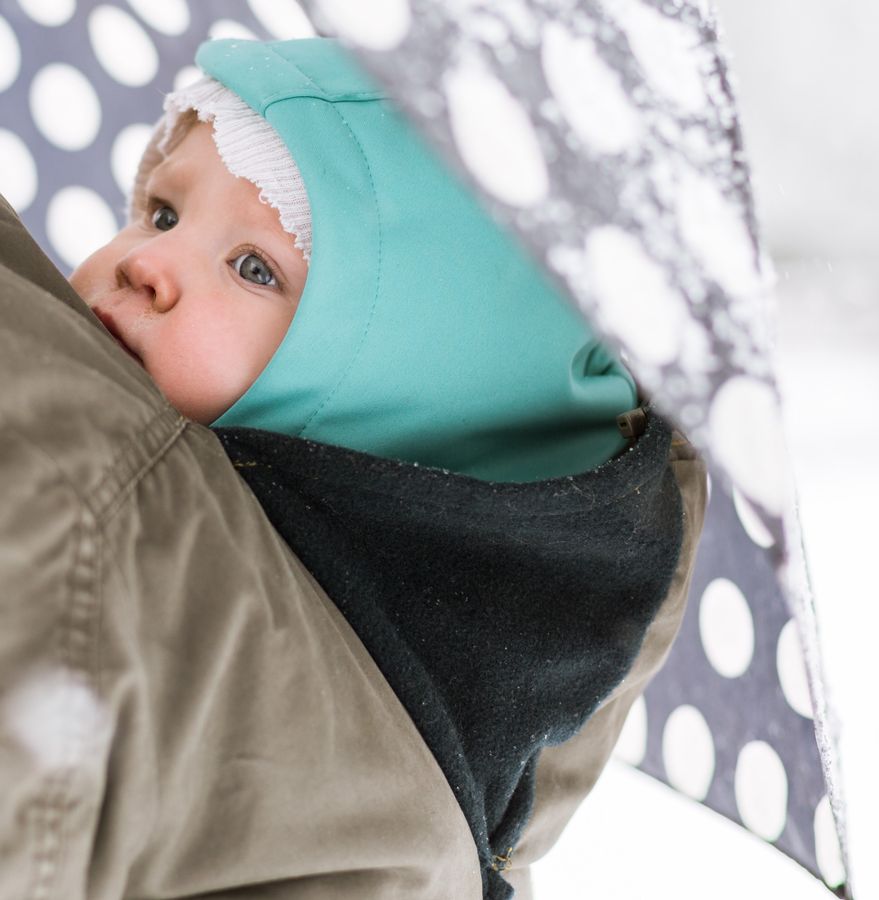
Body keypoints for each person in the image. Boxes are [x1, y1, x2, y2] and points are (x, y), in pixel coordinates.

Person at [0, 37, 706, 900]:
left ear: (401, 404)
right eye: (162, 212)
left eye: (255, 266)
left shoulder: (297, 713)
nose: (144, 265)